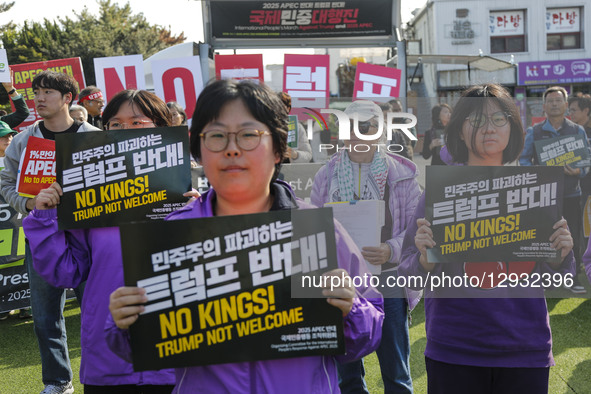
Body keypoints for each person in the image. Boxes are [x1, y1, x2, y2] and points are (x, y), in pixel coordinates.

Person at [106, 79, 384, 392]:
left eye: (249, 135)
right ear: (198, 152)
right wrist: (124, 324)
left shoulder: (317, 229)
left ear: (279, 150)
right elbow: (130, 345)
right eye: (216, 136)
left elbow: (369, 331)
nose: (232, 148)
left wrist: (352, 308)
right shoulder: (169, 236)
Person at [400, 83, 575, 394]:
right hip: (454, 349)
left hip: (525, 348)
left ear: (513, 128)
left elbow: (559, 280)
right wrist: (424, 262)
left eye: (499, 119)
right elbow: (406, 273)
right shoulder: (438, 195)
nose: (488, 129)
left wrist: (561, 256)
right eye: (477, 120)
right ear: (459, 129)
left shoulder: (535, 190)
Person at [23, 89, 177, 393]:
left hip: (176, 362)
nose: (124, 132)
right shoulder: (89, 202)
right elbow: (66, 273)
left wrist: (197, 218)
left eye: (137, 123)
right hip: (107, 362)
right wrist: (45, 219)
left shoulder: (189, 203)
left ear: (161, 128)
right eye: (115, 125)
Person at [0, 70, 100, 394]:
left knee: (95, 313)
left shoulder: (91, 136)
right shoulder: (23, 140)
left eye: (47, 93)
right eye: (36, 92)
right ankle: (58, 382)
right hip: (43, 238)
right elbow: (6, 182)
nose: (39, 99)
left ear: (67, 99)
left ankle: (100, 376)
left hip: (88, 238)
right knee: (45, 318)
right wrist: (29, 204)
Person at [311, 100, 420, 393]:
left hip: (388, 277)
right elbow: (313, 226)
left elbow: (415, 228)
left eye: (366, 125)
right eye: (352, 126)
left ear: (380, 131)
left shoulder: (403, 174)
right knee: (347, 376)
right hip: (343, 281)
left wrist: (391, 249)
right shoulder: (326, 175)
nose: (359, 133)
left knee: (396, 372)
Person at [520, 86, 588, 294]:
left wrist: (579, 170)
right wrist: (537, 174)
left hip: (570, 194)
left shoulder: (577, 131)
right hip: (543, 196)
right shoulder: (535, 131)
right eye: (550, 101)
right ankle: (542, 277)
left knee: (571, 237)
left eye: (559, 100)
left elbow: (586, 162)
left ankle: (573, 278)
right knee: (542, 237)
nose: (555, 104)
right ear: (544, 107)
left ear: (566, 105)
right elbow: (523, 159)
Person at [278, 91, 313, 163]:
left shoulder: (297, 127)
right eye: (275, 106)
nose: (278, 109)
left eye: (281, 106)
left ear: (288, 108)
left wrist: (295, 155)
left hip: (290, 171)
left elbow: (308, 155)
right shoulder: (264, 126)